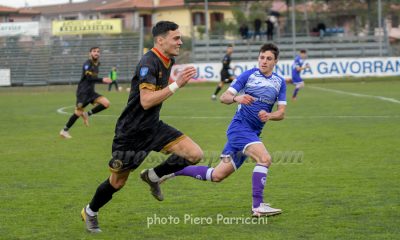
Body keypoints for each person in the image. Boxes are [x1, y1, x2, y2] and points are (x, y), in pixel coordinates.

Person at [81, 21, 203, 233]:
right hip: (131, 133)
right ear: (160, 40)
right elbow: (146, 101)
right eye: (176, 38)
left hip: (153, 127)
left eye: (180, 38)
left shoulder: (168, 60)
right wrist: (177, 84)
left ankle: (153, 176)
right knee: (117, 182)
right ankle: (90, 212)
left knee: (194, 154)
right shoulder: (149, 61)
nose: (180, 42)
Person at [162, 43, 287, 217]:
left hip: (251, 133)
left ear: (276, 61)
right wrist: (238, 98)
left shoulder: (279, 82)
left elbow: (281, 113)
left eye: (268, 59)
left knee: (216, 175)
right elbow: (224, 97)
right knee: (265, 159)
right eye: (261, 57)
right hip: (239, 129)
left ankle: (172, 171)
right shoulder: (248, 75)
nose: (264, 61)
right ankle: (257, 206)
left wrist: (270, 115)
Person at [59, 47, 112, 139]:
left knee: (106, 103)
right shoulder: (87, 64)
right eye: (94, 51)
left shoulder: (97, 64)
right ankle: (64, 131)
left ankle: (87, 114)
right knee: (78, 113)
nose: (96, 53)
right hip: (83, 92)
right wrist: (102, 80)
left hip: (91, 92)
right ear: (90, 53)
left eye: (98, 52)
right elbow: (89, 78)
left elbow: (92, 80)